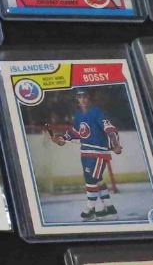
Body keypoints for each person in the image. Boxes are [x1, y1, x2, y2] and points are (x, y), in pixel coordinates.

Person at [49, 88, 121, 220]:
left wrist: (115, 144)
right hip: (85, 152)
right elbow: (76, 132)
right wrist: (61, 139)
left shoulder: (97, 112)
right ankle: (110, 209)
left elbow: (109, 128)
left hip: (98, 153)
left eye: (84, 97)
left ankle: (90, 209)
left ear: (89, 98)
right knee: (97, 180)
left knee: (91, 180)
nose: (82, 99)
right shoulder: (78, 115)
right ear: (77, 99)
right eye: (79, 97)